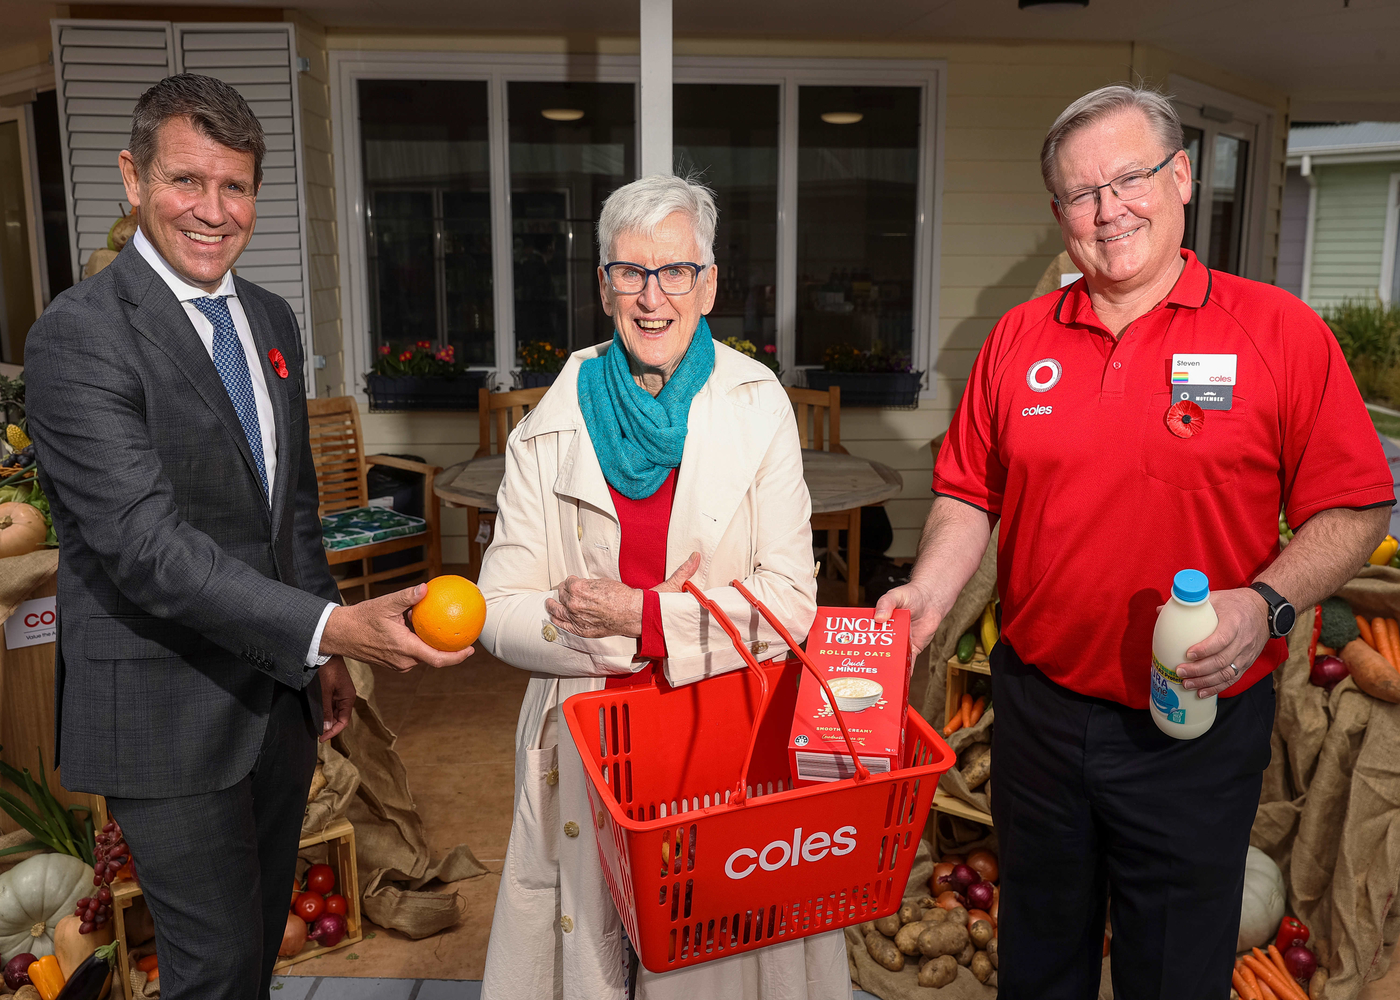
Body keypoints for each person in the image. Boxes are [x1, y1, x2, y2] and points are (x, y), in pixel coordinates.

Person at [876, 84, 1394, 999]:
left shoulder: (1279, 333)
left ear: (1182, 176)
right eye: (1082, 193)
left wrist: (1266, 602)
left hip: (1192, 724)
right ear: (1058, 214)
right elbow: (967, 495)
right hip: (1037, 712)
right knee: (1039, 957)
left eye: (1132, 177)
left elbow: (1356, 507)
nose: (1109, 209)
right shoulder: (1016, 339)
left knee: (1170, 970)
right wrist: (928, 590)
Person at [24, 74, 472, 1000]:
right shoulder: (79, 337)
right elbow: (145, 545)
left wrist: (318, 654)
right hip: (160, 708)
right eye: (187, 181)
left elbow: (291, 505)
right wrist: (333, 631)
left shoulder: (267, 318)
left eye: (235, 187)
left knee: (256, 947)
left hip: (276, 699)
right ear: (132, 178)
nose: (212, 211)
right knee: (213, 970)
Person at [476, 174, 848, 1000]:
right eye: (630, 273)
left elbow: (790, 601)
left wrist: (644, 616)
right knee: (595, 952)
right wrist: (608, 634)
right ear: (603, 283)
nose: (652, 297)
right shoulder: (550, 422)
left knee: (710, 954)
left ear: (708, 284)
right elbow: (496, 612)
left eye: (675, 272)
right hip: (589, 740)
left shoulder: (758, 407)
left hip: (718, 736)